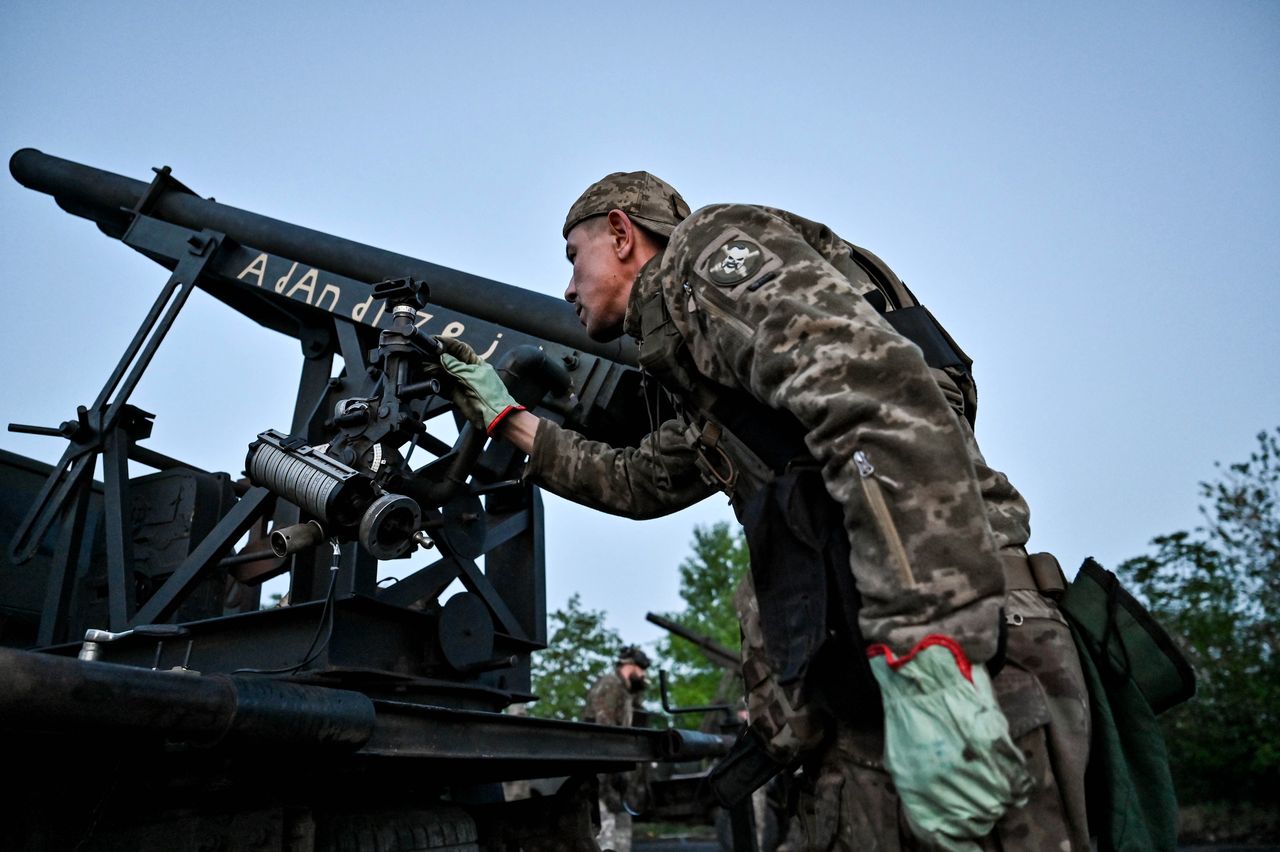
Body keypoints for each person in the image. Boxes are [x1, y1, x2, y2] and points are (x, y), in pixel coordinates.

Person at [438, 172, 1091, 850]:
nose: (568, 289)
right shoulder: (706, 377)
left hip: (952, 661)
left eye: (574, 257)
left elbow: (871, 398)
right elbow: (637, 482)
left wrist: (928, 650)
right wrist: (507, 419)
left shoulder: (706, 257)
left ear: (623, 234)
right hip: (875, 682)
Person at [583, 645, 651, 852]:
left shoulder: (625, 692)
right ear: (629, 666)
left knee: (621, 838)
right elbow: (605, 730)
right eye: (641, 670)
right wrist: (614, 770)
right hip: (603, 773)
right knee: (606, 837)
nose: (644, 675)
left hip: (617, 774)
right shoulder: (610, 685)